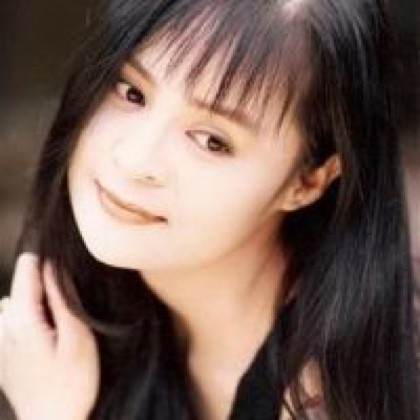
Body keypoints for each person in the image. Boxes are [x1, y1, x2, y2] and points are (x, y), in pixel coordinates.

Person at [0, 0, 418, 419]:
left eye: (211, 141)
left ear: (307, 181)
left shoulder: (330, 397)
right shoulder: (92, 318)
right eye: (131, 93)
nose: (134, 160)